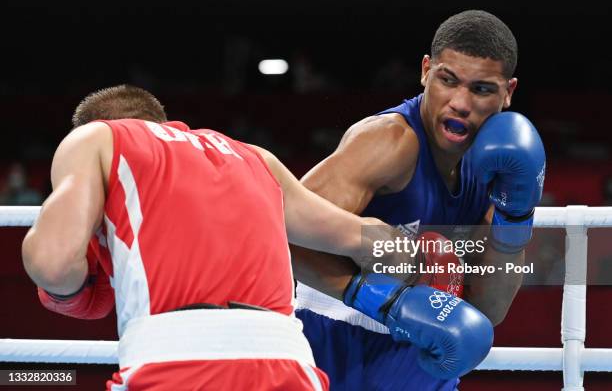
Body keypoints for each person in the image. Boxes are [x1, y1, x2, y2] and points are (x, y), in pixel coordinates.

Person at [21, 85, 493, 390]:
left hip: (175, 358)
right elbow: (357, 235)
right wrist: (425, 261)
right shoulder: (253, 157)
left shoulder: (97, 139)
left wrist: (69, 292)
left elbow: (55, 263)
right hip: (287, 363)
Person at [291, 10, 546, 390]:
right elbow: (281, 234)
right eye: (448, 80)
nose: (460, 103)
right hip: (337, 335)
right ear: (426, 70)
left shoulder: (498, 167)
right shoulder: (389, 143)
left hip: (425, 341)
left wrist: (516, 215)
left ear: (507, 92)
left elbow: (489, 309)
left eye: (481, 89)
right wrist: (378, 298)